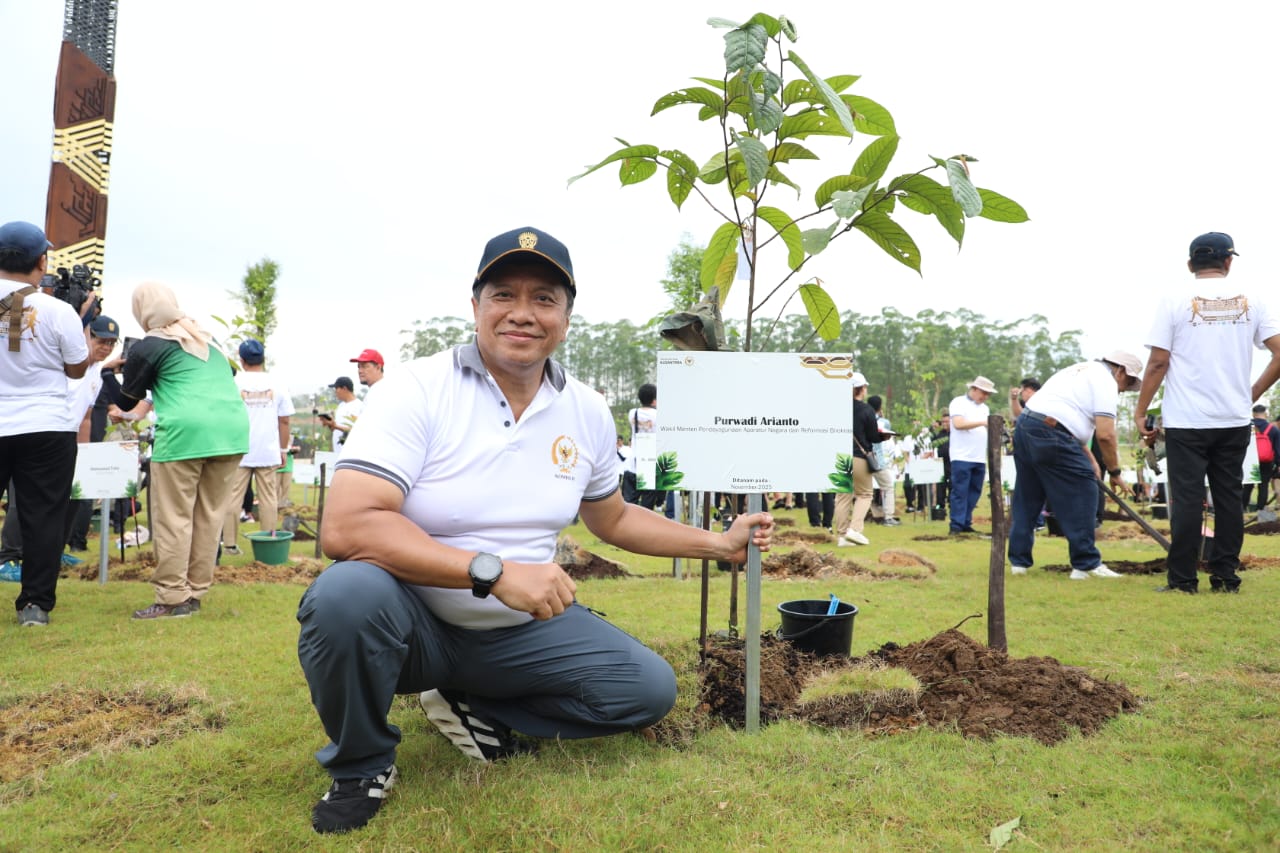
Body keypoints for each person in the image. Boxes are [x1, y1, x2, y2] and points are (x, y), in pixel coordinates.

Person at [295, 226, 774, 834]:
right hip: (412, 621)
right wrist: (489, 573)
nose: (523, 314)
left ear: (566, 317)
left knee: (646, 691)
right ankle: (362, 764)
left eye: (544, 298)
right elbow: (348, 526)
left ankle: (469, 700)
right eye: (504, 295)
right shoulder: (416, 390)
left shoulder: (587, 409)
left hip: (519, 634)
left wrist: (718, 544)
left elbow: (615, 517)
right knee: (344, 597)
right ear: (476, 307)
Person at [1136, 232, 1280, 594]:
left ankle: (1183, 580)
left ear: (1190, 265)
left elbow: (1158, 362)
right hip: (1233, 420)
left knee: (1186, 499)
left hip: (1187, 421)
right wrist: (1250, 394)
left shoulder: (1173, 299)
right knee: (1229, 498)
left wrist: (1141, 411)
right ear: (1229, 262)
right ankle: (1226, 577)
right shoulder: (1254, 299)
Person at [108, 282, 249, 618]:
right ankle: (195, 591)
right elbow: (224, 374)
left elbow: (127, 400)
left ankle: (173, 597)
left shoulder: (149, 345)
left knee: (174, 518)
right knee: (209, 514)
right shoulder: (206, 339)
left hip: (187, 434)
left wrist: (108, 372)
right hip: (231, 432)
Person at [0, 221, 90, 626]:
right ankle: (35, 604)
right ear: (42, 261)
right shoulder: (58, 310)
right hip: (46, 425)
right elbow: (75, 369)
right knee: (44, 515)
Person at [1008, 353, 1144, 579]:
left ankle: (1018, 563)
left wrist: (1090, 459)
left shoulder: (1079, 370)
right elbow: (1106, 434)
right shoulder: (1106, 382)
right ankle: (1086, 564)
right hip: (1051, 432)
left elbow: (1068, 422)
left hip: (1027, 426)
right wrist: (1115, 472)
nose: (1123, 390)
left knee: (1028, 493)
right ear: (1120, 371)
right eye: (1127, 383)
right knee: (1084, 491)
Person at [221, 339, 294, 550]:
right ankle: (269, 541)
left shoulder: (233, 383)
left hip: (239, 449)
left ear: (241, 360)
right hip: (268, 449)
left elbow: (225, 416)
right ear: (263, 358)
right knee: (269, 498)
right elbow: (285, 420)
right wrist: (283, 449)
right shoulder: (277, 383)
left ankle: (230, 544)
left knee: (233, 497)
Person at [948, 377, 996, 534]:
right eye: (984, 392)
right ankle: (956, 524)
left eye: (988, 394)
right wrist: (982, 422)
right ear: (974, 389)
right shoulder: (958, 403)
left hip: (978, 456)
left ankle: (966, 521)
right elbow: (958, 424)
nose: (985, 397)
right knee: (960, 491)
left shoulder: (985, 408)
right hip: (961, 456)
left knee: (974, 492)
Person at [835, 373, 877, 546]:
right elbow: (873, 436)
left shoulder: (837, 408)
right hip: (859, 456)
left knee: (842, 497)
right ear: (861, 389)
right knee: (865, 494)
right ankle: (855, 530)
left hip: (840, 456)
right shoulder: (866, 409)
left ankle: (842, 535)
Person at [624, 383, 662, 510]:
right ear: (654, 400)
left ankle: (628, 529)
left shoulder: (632, 413)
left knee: (629, 506)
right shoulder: (658, 415)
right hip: (648, 461)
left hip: (633, 461)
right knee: (646, 507)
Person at [866, 395, 899, 526]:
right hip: (877, 460)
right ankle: (888, 516)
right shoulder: (884, 422)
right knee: (887, 487)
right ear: (880, 407)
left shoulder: (862, 418)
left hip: (862, 457)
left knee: (861, 491)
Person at [1243, 404, 1279, 511]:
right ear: (1265, 414)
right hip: (1266, 462)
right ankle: (1261, 512)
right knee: (1263, 487)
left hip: (1250, 461)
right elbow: (1278, 449)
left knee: (1248, 487)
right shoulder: (1273, 429)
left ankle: (1242, 509)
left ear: (1253, 414)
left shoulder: (1247, 426)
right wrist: (1278, 464)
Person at [321, 377, 362, 450]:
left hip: (351, 451)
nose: (335, 392)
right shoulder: (340, 406)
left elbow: (357, 431)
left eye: (336, 388)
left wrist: (336, 426)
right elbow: (336, 429)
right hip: (338, 451)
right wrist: (330, 424)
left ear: (344, 388)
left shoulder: (359, 407)